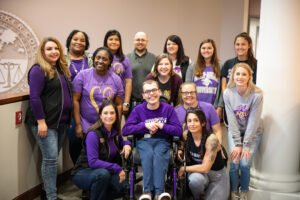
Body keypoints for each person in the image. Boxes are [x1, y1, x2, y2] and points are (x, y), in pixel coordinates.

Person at [25, 37, 72, 200]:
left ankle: (47, 191)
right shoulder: (38, 70)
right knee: (51, 159)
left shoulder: (61, 69)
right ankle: (51, 196)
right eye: (49, 49)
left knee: (52, 158)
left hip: (62, 122)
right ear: (42, 53)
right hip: (46, 123)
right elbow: (34, 97)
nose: (54, 52)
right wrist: (41, 121)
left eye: (56, 48)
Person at [122, 80, 182, 200]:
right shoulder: (138, 110)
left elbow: (178, 131)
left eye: (154, 90)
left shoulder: (168, 109)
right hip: (144, 141)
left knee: (159, 154)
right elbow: (125, 130)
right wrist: (144, 125)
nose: (151, 94)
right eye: (147, 91)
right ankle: (147, 192)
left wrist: (162, 126)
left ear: (159, 92)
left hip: (162, 140)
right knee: (148, 154)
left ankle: (160, 193)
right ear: (143, 95)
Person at [72, 100, 131, 200]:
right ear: (100, 115)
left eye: (112, 113)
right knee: (103, 175)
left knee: (124, 188)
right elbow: (93, 162)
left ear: (116, 115)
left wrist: (127, 144)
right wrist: (116, 168)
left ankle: (95, 194)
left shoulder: (114, 132)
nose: (109, 116)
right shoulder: (93, 134)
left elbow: (122, 142)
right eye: (105, 113)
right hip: (84, 171)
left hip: (105, 171)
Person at [223, 63, 263, 200]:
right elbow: (231, 120)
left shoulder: (257, 94)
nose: (240, 77)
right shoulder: (228, 93)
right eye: (237, 74)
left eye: (244, 74)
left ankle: (244, 191)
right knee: (234, 163)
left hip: (252, 133)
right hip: (235, 132)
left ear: (249, 77)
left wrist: (245, 145)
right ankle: (234, 192)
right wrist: (237, 143)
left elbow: (253, 121)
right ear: (233, 76)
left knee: (245, 164)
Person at [72, 47, 124, 139]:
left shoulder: (116, 79)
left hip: (107, 127)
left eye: (104, 59)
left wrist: (117, 127)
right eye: (98, 57)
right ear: (93, 58)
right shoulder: (82, 75)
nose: (100, 61)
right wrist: (77, 125)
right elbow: (75, 100)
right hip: (85, 126)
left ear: (110, 62)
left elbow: (119, 105)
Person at [177, 108, 229, 200]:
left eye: (196, 120)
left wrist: (183, 169)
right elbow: (181, 143)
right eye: (189, 121)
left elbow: (205, 168)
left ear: (203, 123)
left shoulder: (211, 139)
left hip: (217, 175)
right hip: (198, 174)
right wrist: (180, 149)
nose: (192, 124)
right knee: (195, 180)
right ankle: (197, 197)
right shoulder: (186, 135)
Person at [65, 29, 93, 165]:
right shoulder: (60, 59)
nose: (79, 42)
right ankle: (79, 172)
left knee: (93, 139)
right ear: (69, 41)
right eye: (75, 39)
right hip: (69, 106)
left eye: (82, 40)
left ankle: (93, 172)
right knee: (75, 140)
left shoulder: (92, 59)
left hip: (90, 105)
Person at [185, 39, 223, 118]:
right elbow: (186, 88)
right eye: (203, 48)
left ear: (214, 50)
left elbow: (223, 91)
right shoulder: (192, 66)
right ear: (200, 50)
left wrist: (219, 107)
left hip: (213, 108)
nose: (206, 50)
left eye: (209, 48)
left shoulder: (220, 66)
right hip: (195, 108)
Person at [103, 29, 133, 114]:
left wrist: (126, 103)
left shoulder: (125, 59)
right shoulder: (100, 56)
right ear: (106, 41)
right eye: (111, 39)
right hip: (102, 97)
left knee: (116, 125)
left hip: (119, 99)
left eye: (116, 40)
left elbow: (128, 82)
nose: (114, 42)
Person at [127, 31, 156, 112]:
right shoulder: (126, 58)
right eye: (138, 40)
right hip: (131, 102)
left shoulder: (154, 58)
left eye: (143, 40)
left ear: (147, 42)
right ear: (134, 41)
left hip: (149, 101)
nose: (140, 42)